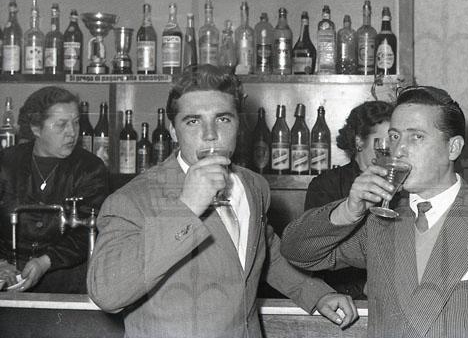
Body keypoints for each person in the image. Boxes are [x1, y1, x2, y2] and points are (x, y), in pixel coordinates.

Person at [87, 65, 357, 338]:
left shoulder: (252, 185)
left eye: (223, 119)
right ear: (173, 131)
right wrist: (187, 207)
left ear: (239, 125)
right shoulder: (132, 199)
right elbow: (107, 293)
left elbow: (265, 252)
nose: (210, 134)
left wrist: (316, 293)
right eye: (193, 121)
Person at [281, 85, 468, 337]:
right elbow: (297, 252)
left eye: (417, 137)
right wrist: (347, 211)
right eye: (394, 136)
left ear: (453, 148)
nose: (399, 150)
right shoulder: (380, 222)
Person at [0, 86, 108, 293]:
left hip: (66, 279)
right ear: (36, 128)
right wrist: (1, 263)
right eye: (61, 125)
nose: (72, 132)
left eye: (76, 122)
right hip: (9, 276)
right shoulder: (6, 163)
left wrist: (45, 262)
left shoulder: (90, 168)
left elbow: (88, 231)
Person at [304, 100, 392, 299]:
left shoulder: (402, 186)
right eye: (383, 142)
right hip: (343, 299)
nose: (390, 150)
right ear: (359, 141)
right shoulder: (326, 184)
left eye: (394, 141)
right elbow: (313, 250)